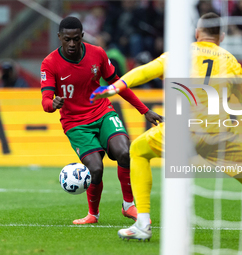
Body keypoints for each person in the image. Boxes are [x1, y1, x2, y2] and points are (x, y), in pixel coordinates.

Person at [90, 13, 242, 246]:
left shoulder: (181, 53)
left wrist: (115, 86)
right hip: (218, 134)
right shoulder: (231, 62)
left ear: (196, 33)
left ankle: (142, 224)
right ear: (221, 37)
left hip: (181, 131)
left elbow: (145, 71)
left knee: (139, 150)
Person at [40, 16, 163, 225]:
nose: (71, 44)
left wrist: (144, 110)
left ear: (82, 36)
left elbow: (117, 83)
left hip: (102, 112)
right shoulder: (50, 63)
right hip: (76, 123)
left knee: (126, 152)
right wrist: (54, 104)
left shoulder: (97, 54)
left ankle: (128, 205)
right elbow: (45, 101)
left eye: (76, 39)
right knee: (95, 169)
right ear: (59, 37)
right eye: (67, 39)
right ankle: (93, 215)